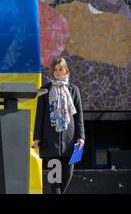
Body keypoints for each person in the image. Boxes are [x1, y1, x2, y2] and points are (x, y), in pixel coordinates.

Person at [33, 57, 85, 194]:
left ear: (66, 70)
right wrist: (36, 137)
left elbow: (78, 115)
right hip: (50, 141)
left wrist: (81, 137)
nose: (57, 72)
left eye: (60, 69)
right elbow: (40, 115)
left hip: (70, 141)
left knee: (67, 175)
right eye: (55, 69)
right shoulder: (45, 90)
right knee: (54, 179)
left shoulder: (74, 90)